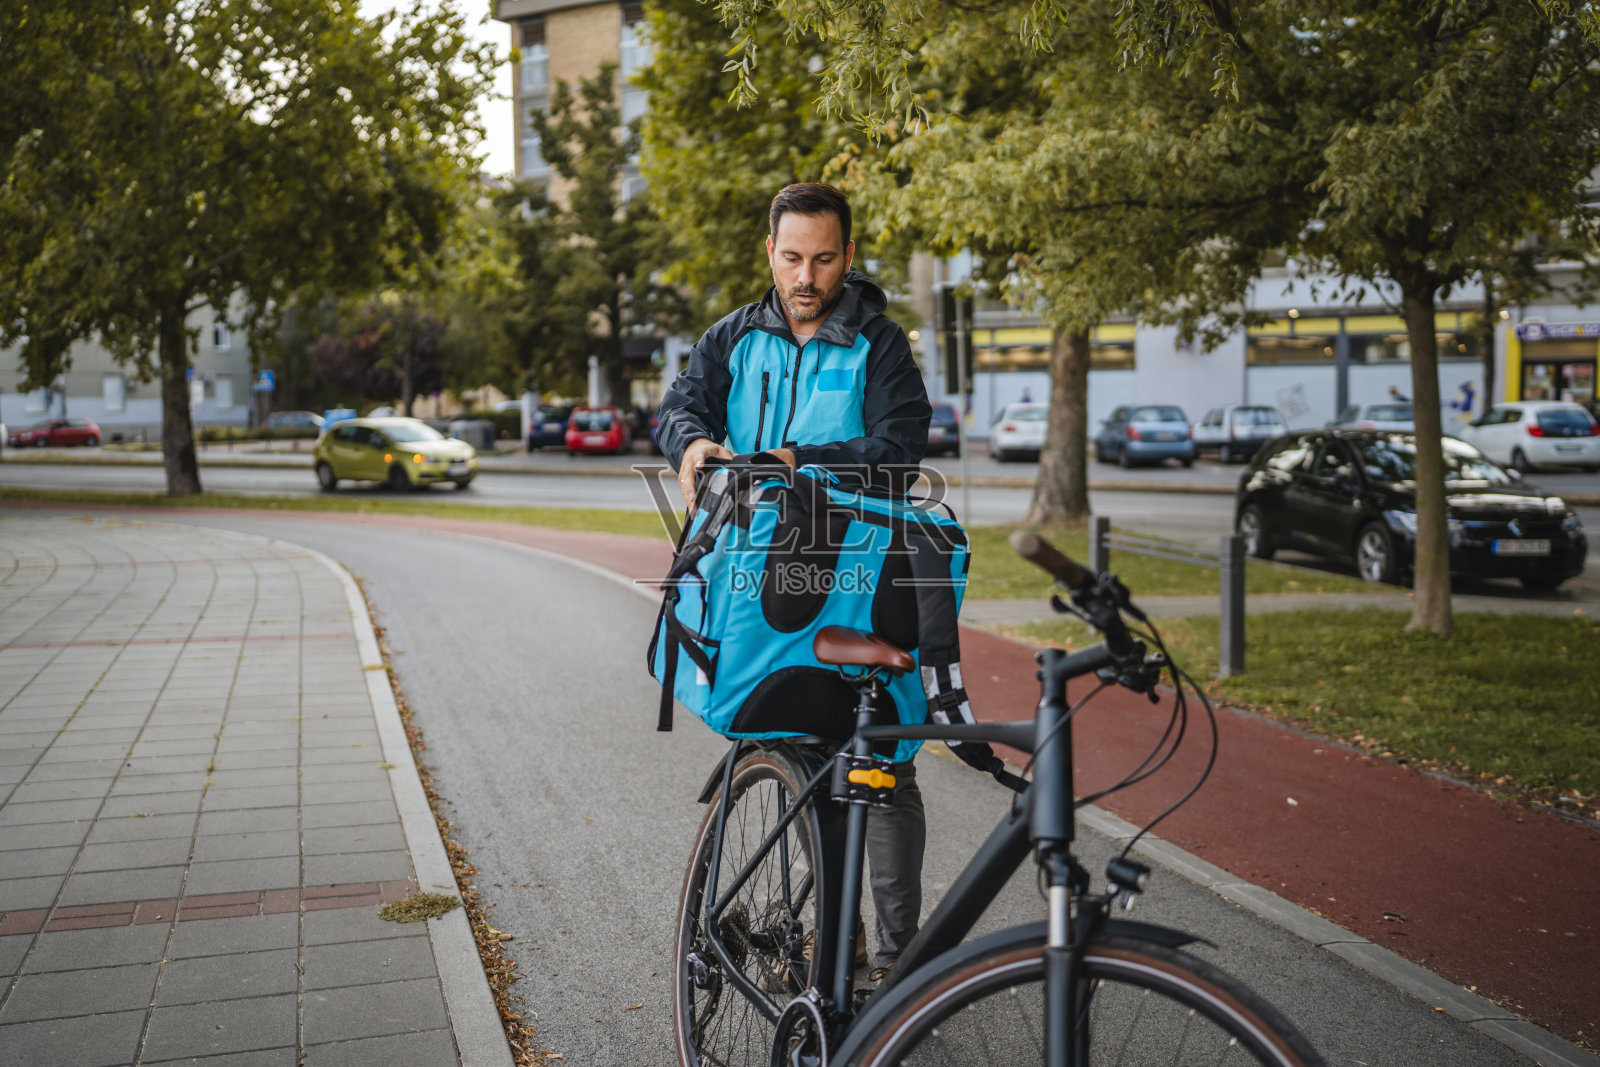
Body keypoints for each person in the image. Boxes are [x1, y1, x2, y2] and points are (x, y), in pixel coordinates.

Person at [656, 183, 931, 978]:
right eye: (790, 258)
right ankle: (829, 944)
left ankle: (898, 960)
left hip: (858, 570)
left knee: (884, 750)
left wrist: (797, 461)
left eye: (821, 258)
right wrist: (691, 441)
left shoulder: (879, 345)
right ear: (769, 254)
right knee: (787, 737)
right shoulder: (733, 336)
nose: (805, 276)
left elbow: (899, 451)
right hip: (762, 572)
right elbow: (682, 405)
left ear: (847, 255)